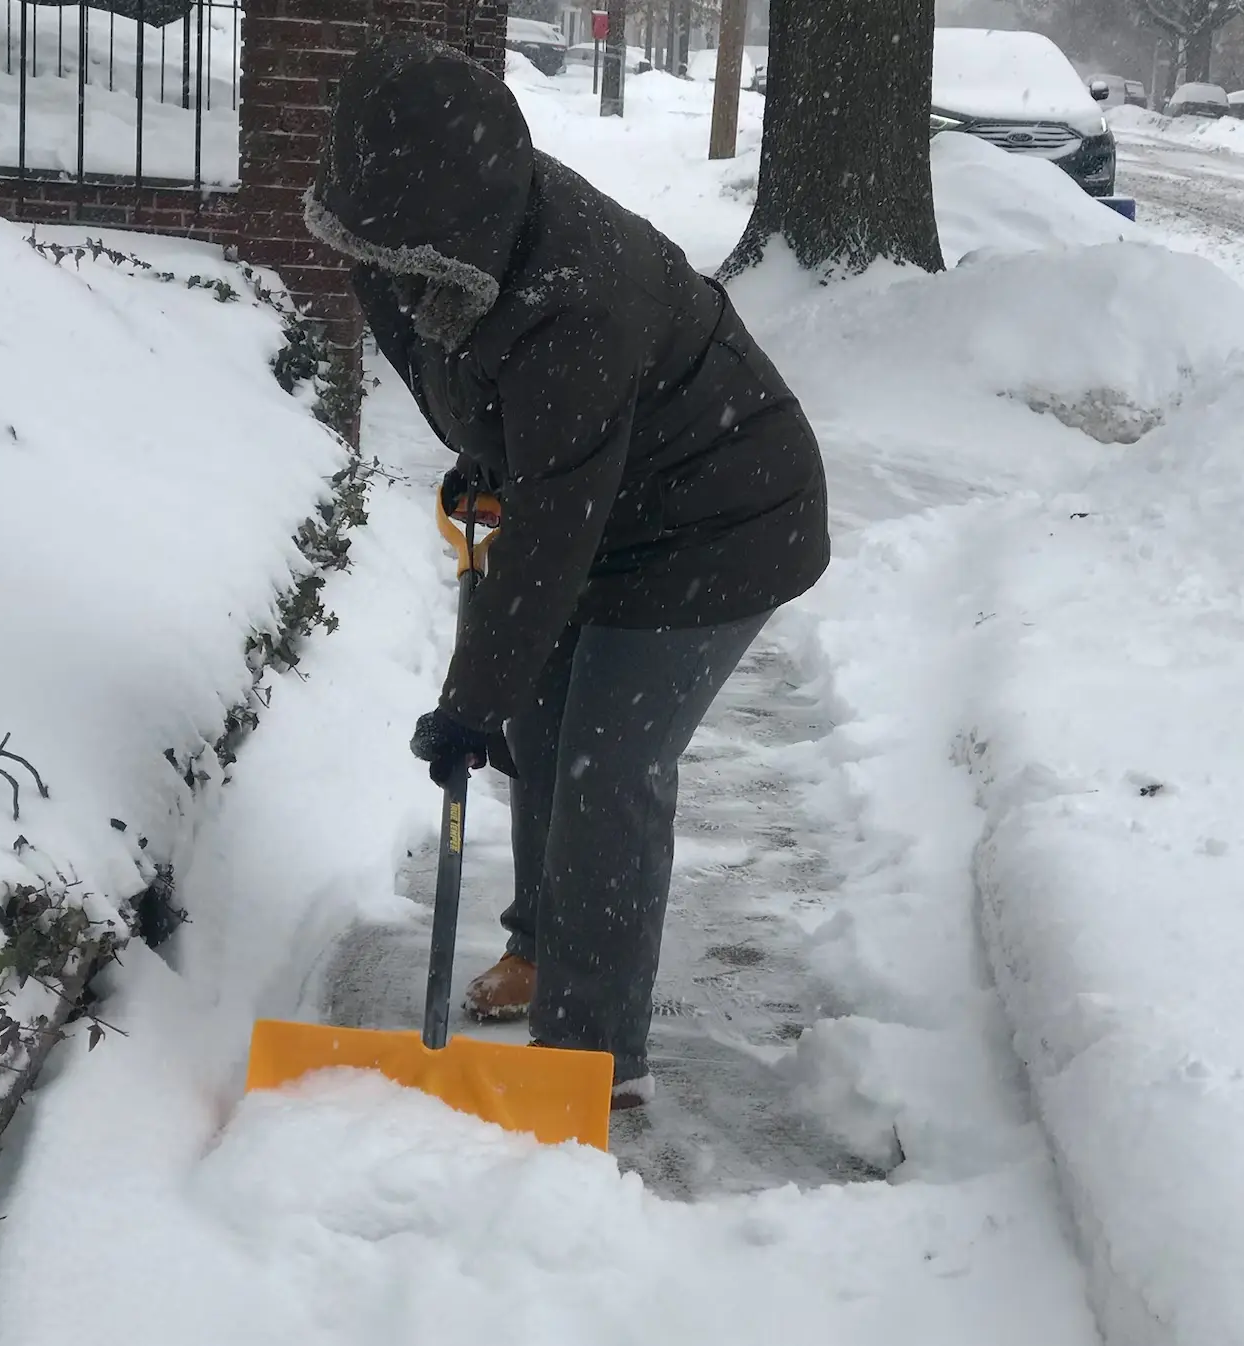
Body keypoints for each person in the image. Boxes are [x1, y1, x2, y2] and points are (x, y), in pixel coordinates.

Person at [306, 35, 830, 1108]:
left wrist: (465, 700)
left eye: (403, 250)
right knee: (538, 734)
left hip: (720, 519)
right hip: (597, 490)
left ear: (467, 215)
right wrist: (490, 462)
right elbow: (474, 399)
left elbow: (551, 537)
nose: (382, 271)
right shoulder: (392, 237)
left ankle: (593, 1058)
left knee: (607, 763)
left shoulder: (576, 296)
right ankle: (543, 950)